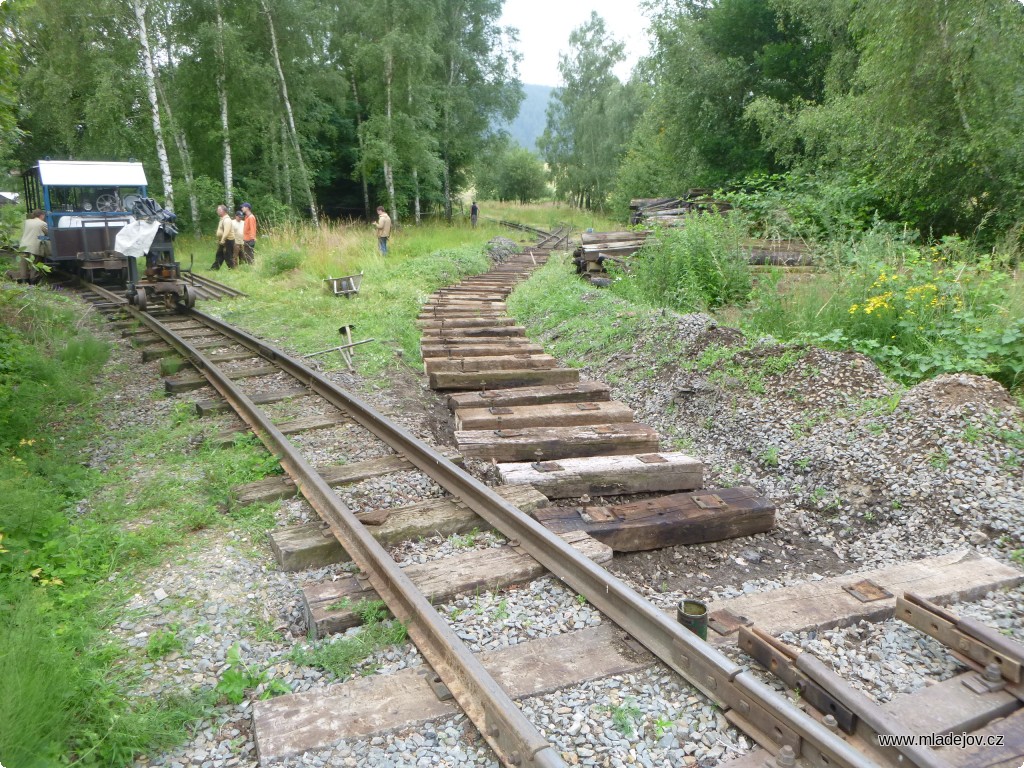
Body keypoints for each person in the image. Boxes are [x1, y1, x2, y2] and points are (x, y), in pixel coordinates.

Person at [15, 209, 48, 283]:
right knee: (35, 264)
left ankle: (24, 281)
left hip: (24, 246)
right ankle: (33, 281)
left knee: (23, 265)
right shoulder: (42, 223)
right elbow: (49, 233)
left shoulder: (27, 222)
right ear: (41, 215)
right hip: (34, 247)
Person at [211, 204, 236, 270]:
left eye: (219, 210)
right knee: (219, 255)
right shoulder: (222, 219)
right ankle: (214, 268)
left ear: (224, 211)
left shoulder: (227, 220)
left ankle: (232, 268)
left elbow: (226, 232)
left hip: (228, 240)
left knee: (228, 255)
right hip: (224, 240)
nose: (217, 211)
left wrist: (222, 240)